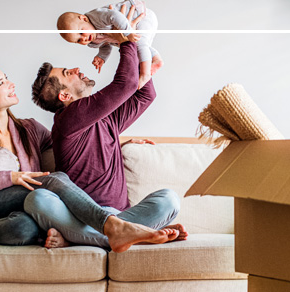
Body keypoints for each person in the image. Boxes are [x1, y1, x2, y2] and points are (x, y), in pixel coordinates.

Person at [0, 61, 173, 250]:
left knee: (25, 229)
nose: (11, 84)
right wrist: (10, 178)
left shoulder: (29, 129)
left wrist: (118, 141)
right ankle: (112, 226)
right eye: (2, 82)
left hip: (17, 213)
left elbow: (73, 141)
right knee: (50, 181)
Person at [30, 21, 187, 253]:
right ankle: (132, 234)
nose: (75, 69)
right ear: (64, 95)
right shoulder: (67, 119)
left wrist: (138, 46)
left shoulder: (107, 120)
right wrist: (125, 41)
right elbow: (126, 85)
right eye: (67, 73)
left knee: (169, 199)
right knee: (39, 199)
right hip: (84, 218)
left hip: (123, 215)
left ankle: (95, 237)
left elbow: (145, 95)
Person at [56, 0, 162, 90]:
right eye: (78, 40)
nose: (83, 38)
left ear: (84, 19)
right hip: (134, 27)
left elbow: (114, 16)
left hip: (140, 16)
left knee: (140, 44)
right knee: (141, 47)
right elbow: (105, 45)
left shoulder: (96, 17)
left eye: (81, 32)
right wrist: (102, 57)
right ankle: (156, 59)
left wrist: (128, 32)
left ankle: (145, 74)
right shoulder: (92, 42)